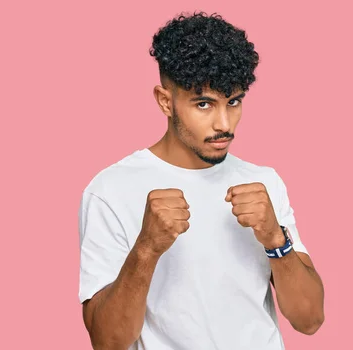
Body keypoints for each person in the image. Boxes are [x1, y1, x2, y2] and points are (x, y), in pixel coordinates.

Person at [78, 12, 325, 350]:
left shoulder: (264, 182)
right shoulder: (110, 190)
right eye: (204, 104)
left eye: (234, 102)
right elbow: (107, 342)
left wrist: (274, 238)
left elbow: (310, 320)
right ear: (166, 101)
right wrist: (147, 248)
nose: (224, 124)